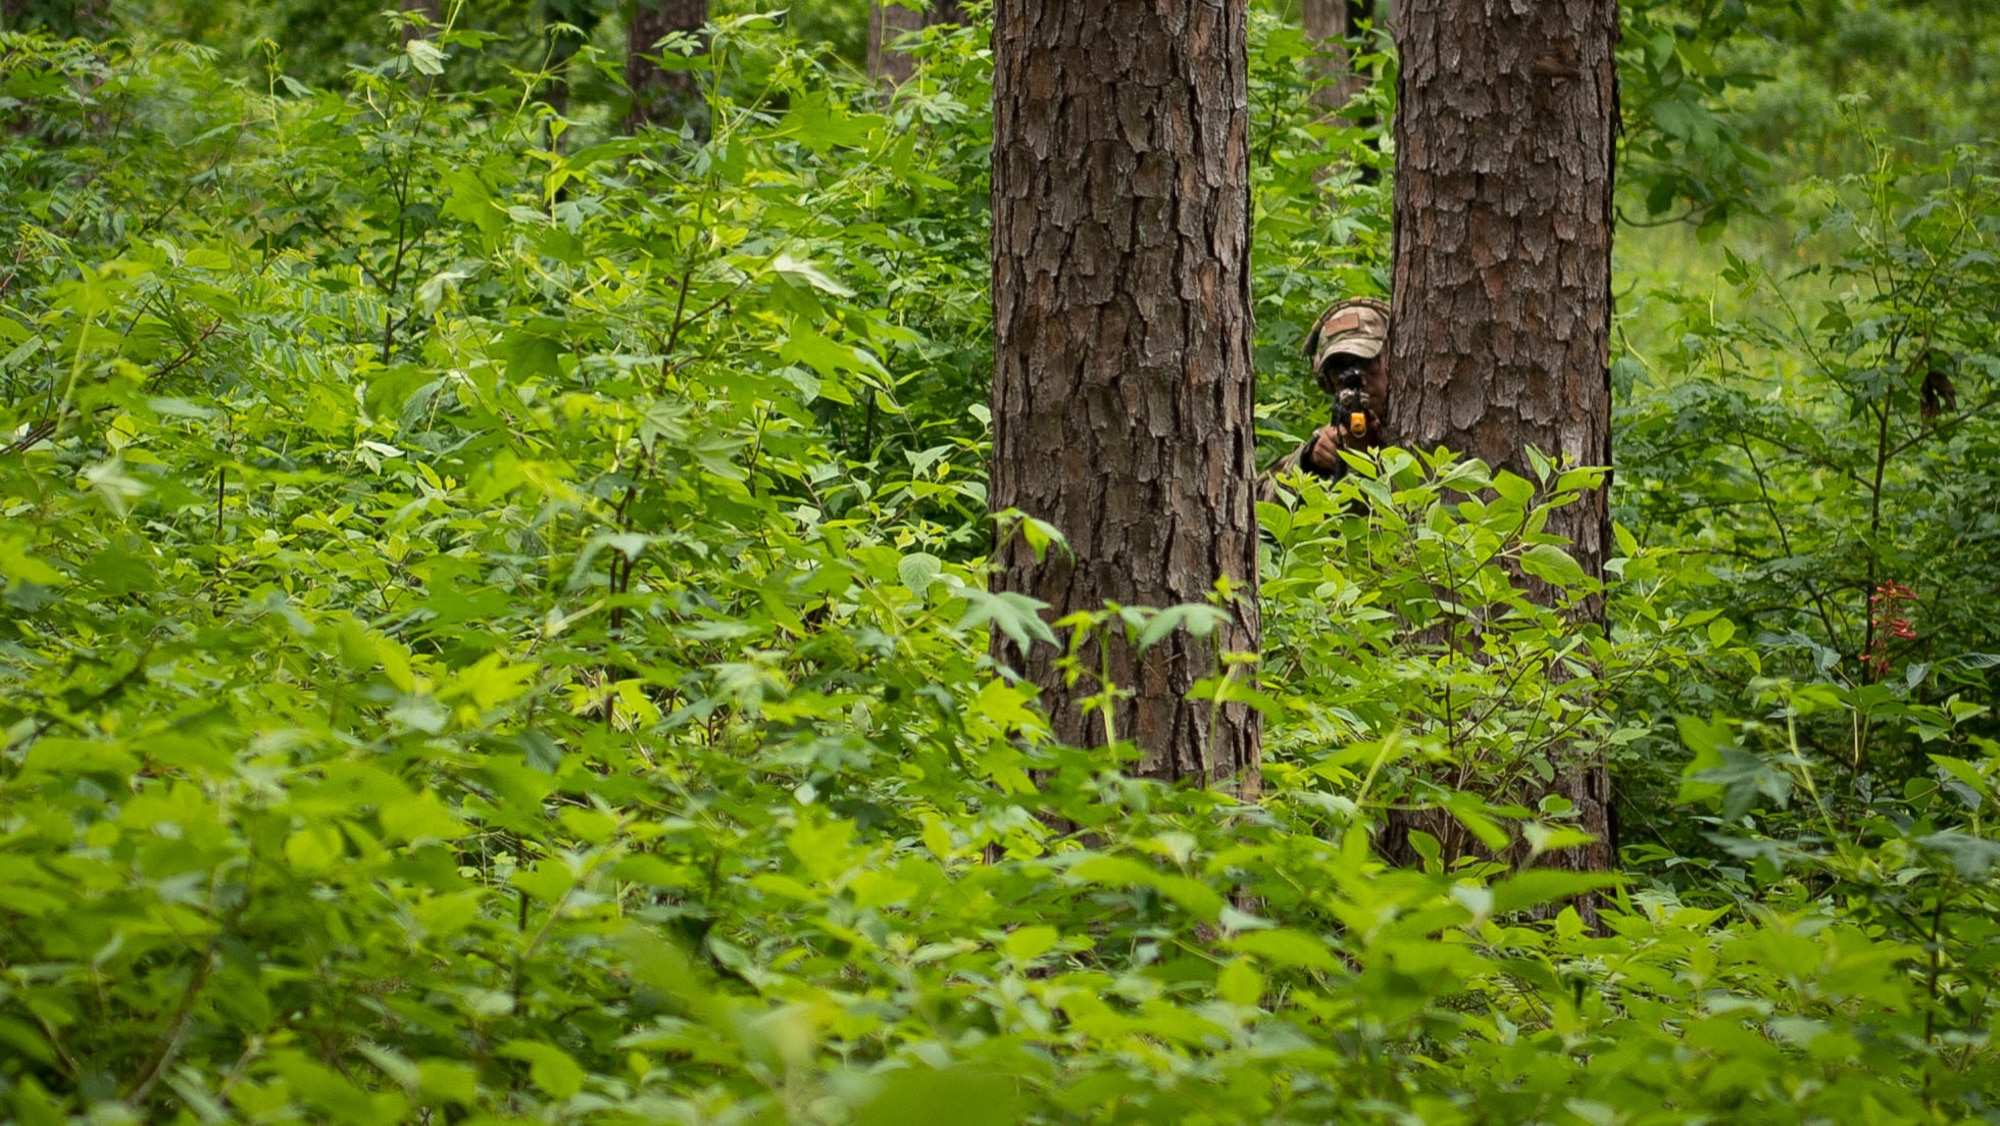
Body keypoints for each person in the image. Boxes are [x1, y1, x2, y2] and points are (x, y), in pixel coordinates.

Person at [1264, 296, 1391, 491]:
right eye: (1340, 371)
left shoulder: (1421, 429)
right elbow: (1254, 501)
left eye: (1367, 363)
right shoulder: (1333, 439)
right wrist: (1311, 462)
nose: (1357, 380)